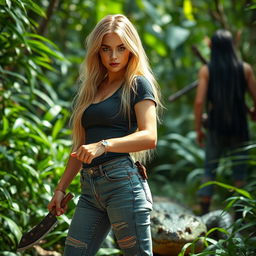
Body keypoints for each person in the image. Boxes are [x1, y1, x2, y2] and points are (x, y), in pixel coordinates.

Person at [48, 14, 162, 256]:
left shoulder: (138, 84)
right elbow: (80, 146)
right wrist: (61, 188)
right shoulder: (93, 88)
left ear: (131, 49)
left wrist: (104, 145)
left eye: (121, 48)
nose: (113, 56)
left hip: (123, 185)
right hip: (90, 188)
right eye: (106, 49)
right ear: (97, 52)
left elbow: (150, 136)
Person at [194, 29, 256, 215]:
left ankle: (204, 212)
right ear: (232, 46)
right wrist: (252, 112)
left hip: (215, 126)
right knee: (239, 173)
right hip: (239, 126)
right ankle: (240, 215)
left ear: (212, 47)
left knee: (209, 169)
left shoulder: (207, 70)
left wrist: (198, 129)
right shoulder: (244, 69)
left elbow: (199, 102)